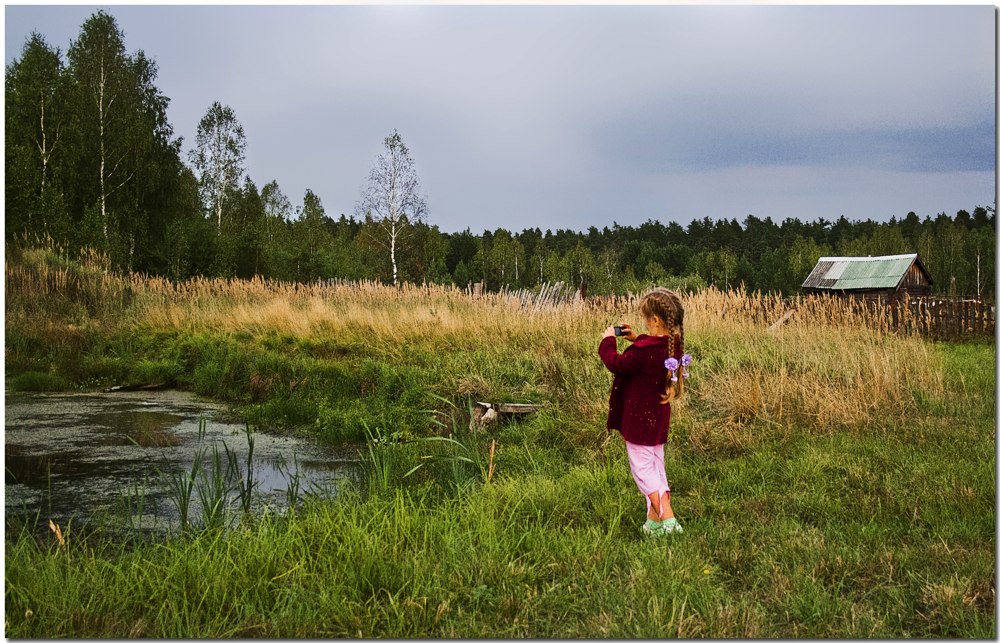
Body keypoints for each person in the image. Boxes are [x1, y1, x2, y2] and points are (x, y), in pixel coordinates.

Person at [598, 287, 688, 537]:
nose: (644, 324)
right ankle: (654, 524)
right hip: (658, 420)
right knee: (656, 467)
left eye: (646, 320)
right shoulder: (672, 345)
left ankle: (668, 520)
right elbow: (650, 350)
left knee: (643, 471)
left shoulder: (644, 352)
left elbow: (616, 363)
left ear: (655, 321)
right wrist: (637, 338)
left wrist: (608, 341)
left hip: (639, 421)